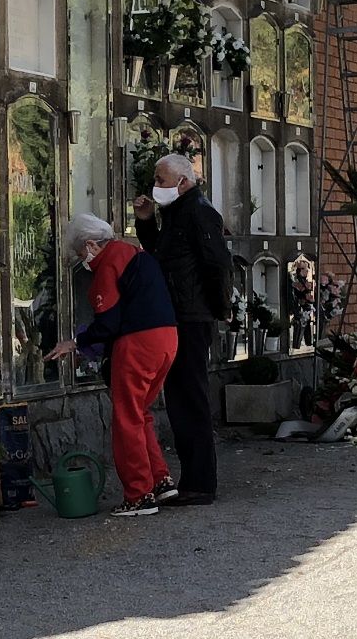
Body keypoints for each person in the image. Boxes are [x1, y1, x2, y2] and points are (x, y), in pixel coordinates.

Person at [46, 214, 179, 517]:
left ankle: (138, 495)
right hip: (167, 339)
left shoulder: (109, 262)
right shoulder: (135, 253)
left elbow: (108, 322)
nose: (84, 260)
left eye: (82, 254)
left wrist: (76, 343)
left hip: (138, 344)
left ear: (92, 244)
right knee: (141, 413)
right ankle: (160, 480)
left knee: (126, 418)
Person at [133, 154, 232, 506]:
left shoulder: (198, 211)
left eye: (161, 180)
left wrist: (218, 310)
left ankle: (201, 483)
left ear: (183, 182)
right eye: (156, 180)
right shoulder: (176, 211)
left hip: (191, 317)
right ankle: (194, 479)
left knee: (190, 397)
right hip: (179, 314)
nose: (156, 187)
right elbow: (161, 256)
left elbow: (218, 264)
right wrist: (145, 222)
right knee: (179, 398)